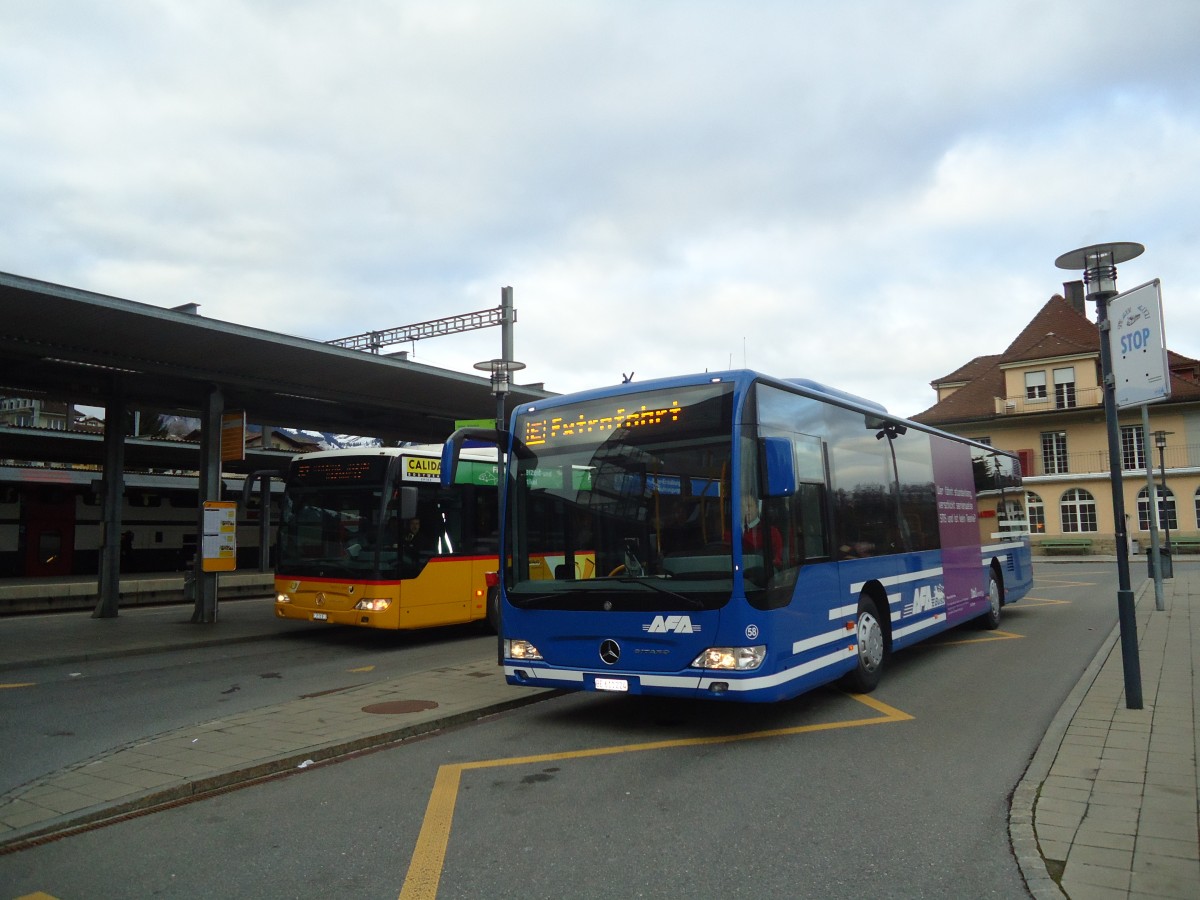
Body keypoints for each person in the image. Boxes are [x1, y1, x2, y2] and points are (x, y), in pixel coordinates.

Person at [741, 495, 783, 567]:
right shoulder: (730, 533)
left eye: (749, 506)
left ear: (757, 508)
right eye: (742, 507)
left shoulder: (771, 532)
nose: (746, 510)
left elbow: (778, 560)